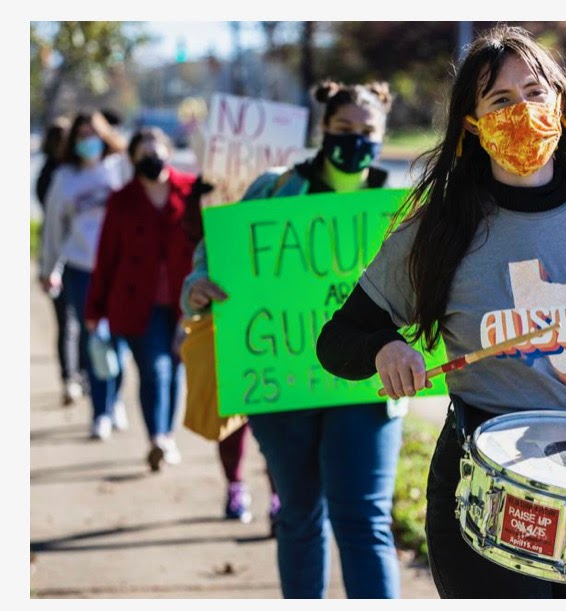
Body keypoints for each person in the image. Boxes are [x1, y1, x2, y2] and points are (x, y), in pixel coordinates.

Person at [316, 26, 566, 600]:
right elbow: (338, 341)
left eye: (536, 93)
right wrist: (383, 347)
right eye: (500, 101)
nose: (523, 111)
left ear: (560, 106)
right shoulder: (436, 233)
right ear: (473, 124)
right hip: (484, 487)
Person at [180, 80, 404, 599]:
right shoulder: (274, 188)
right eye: (344, 129)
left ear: (383, 133)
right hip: (283, 383)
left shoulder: (400, 202)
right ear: (323, 129)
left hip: (365, 386)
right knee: (300, 515)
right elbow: (213, 258)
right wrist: (197, 286)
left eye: (367, 132)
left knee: (365, 519)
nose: (355, 140)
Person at [85, 126, 196, 471]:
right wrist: (95, 306)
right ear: (133, 159)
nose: (153, 158)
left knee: (176, 367)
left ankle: (166, 434)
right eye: (144, 153)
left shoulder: (191, 190)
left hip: (185, 301)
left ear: (168, 152)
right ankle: (157, 438)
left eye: (157, 150)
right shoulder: (122, 199)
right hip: (137, 302)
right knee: (155, 369)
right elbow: (106, 256)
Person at [180, 176, 280, 526]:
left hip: (285, 344)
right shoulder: (217, 193)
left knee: (281, 429)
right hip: (235, 336)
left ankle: (279, 495)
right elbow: (198, 252)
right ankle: (236, 485)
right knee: (233, 423)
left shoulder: (301, 184)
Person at [39, 110, 129, 439]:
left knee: (119, 342)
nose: (87, 141)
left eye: (93, 134)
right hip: (81, 271)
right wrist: (49, 268)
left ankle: (115, 396)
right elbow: (53, 228)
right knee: (95, 341)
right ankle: (100, 410)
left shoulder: (119, 169)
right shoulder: (65, 177)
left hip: (120, 270)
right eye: (81, 136)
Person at [35, 115, 84, 405]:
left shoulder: (78, 172)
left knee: (77, 323)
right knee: (66, 322)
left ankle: (81, 377)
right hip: (60, 257)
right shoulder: (54, 176)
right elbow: (54, 226)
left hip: (78, 259)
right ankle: (70, 377)